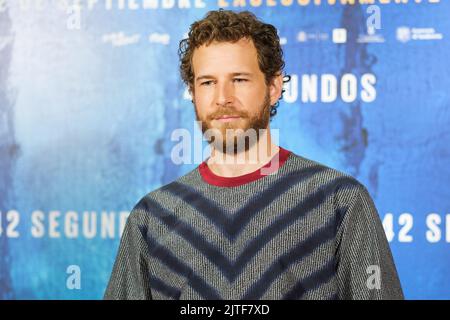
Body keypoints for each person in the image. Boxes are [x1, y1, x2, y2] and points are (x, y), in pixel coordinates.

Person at [104, 9, 404, 300]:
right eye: (208, 82)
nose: (223, 98)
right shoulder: (152, 217)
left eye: (240, 79)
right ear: (193, 92)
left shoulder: (339, 202)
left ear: (273, 86)